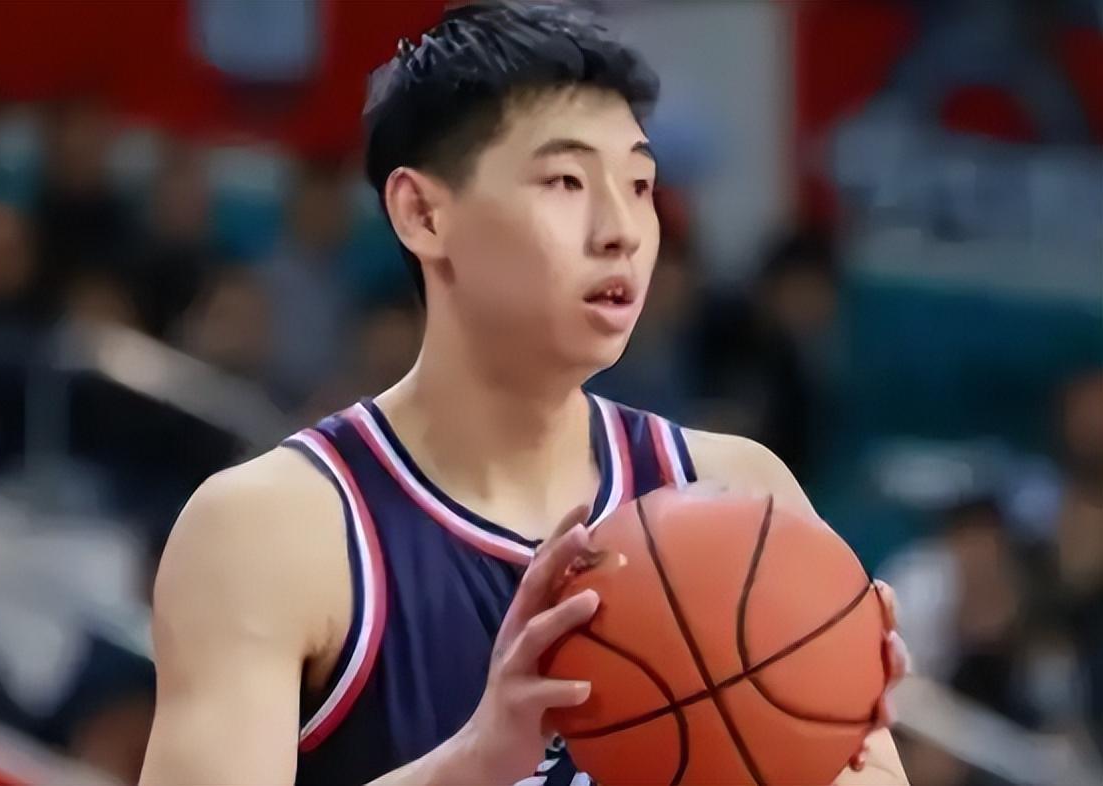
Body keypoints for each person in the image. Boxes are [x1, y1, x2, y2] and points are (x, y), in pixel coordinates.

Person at [139, 4, 910, 785]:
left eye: (640, 185)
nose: (621, 230)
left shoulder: (739, 494)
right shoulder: (269, 529)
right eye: (566, 181)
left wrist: (831, 730)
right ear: (422, 214)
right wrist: (473, 764)